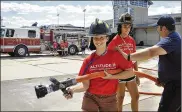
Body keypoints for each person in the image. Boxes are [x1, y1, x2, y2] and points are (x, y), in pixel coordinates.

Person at [63, 18, 135, 111]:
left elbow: (130, 73)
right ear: (92, 39)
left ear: (107, 38)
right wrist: (72, 90)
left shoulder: (117, 56)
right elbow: (85, 86)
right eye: (96, 38)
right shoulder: (88, 61)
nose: (98, 40)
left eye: (102, 37)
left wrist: (111, 77)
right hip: (91, 97)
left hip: (110, 99)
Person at [116, 15, 181, 112]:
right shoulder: (176, 38)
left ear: (163, 28)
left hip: (175, 87)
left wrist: (129, 57)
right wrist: (163, 79)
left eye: (158, 27)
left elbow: (152, 52)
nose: (157, 29)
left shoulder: (171, 40)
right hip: (172, 84)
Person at [107, 12, 140, 111]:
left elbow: (134, 59)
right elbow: (107, 59)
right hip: (119, 75)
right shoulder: (114, 41)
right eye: (125, 26)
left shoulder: (132, 40)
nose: (127, 29)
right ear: (120, 27)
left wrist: (137, 75)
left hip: (130, 73)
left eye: (129, 26)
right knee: (120, 98)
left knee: (136, 96)